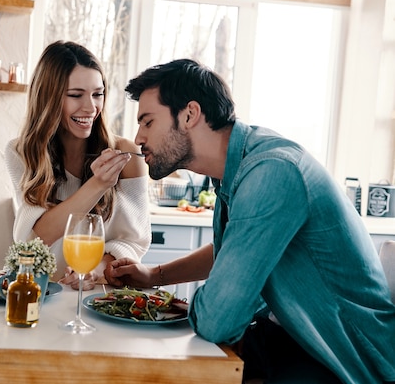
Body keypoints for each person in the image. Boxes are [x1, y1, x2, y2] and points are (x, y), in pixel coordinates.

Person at [104, 58, 395, 384]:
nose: (138, 137)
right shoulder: (238, 168)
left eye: (147, 122)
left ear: (189, 115)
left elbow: (219, 321)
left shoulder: (272, 172)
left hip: (342, 357)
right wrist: (153, 275)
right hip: (291, 335)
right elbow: (233, 249)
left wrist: (204, 302)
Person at [6, 41, 151, 290]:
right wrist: (97, 185)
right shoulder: (22, 152)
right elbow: (35, 239)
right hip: (41, 293)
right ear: (48, 98)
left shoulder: (126, 155)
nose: (90, 107)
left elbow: (134, 240)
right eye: (75, 95)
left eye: (98, 94)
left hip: (99, 294)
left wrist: (93, 271)